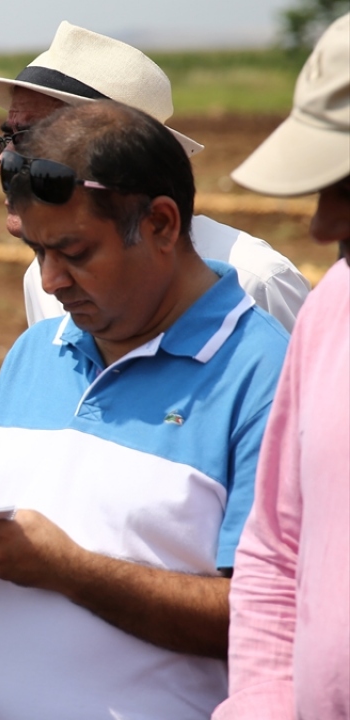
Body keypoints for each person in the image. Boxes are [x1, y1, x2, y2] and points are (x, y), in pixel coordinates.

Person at [0, 100, 290, 719]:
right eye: (36, 252)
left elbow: (269, 620)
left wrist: (68, 569)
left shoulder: (264, 377)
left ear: (162, 224)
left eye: (75, 252)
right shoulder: (36, 352)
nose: (51, 281)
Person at [0, 20, 310, 331]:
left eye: (32, 140)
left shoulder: (255, 282)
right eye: (7, 139)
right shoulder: (42, 280)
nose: (1, 163)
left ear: (121, 154)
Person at [213, 14, 350, 719]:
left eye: (348, 185)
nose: (322, 225)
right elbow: (273, 546)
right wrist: (263, 702)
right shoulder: (331, 311)